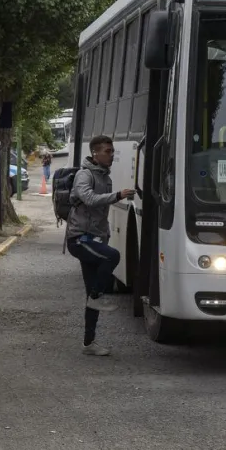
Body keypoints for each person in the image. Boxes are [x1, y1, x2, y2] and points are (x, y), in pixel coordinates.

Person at [64, 135, 134, 356]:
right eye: (107, 151)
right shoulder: (84, 175)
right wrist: (117, 196)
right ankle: (97, 297)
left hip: (94, 239)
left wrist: (105, 235)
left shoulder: (106, 176)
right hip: (79, 239)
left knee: (91, 293)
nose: (111, 155)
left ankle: (89, 344)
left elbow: (101, 215)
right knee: (112, 257)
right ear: (95, 153)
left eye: (112, 151)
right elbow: (91, 200)